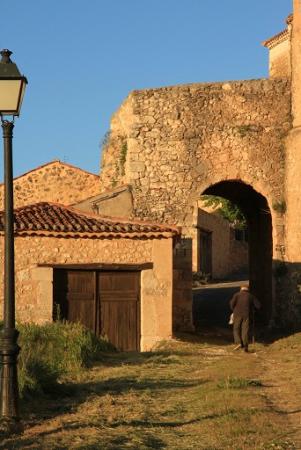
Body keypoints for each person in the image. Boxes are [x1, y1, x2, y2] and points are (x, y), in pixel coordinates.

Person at [229, 285, 261, 352]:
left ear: (241, 289)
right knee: (245, 330)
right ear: (247, 289)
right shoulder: (250, 296)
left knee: (236, 329)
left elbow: (231, 304)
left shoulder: (236, 295)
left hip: (237, 314)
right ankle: (245, 346)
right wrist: (253, 310)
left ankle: (238, 343)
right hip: (247, 315)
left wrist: (234, 310)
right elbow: (258, 306)